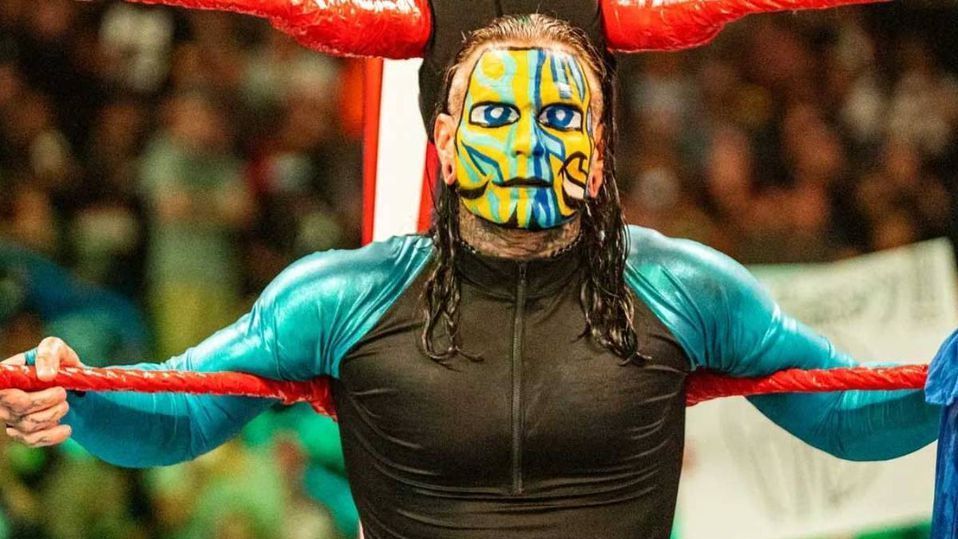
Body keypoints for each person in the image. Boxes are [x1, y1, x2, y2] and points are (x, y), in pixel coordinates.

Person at [0, 15, 943, 538]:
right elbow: (180, 412)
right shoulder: (343, 295)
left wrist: (949, 382)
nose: (530, 145)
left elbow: (846, 412)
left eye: (558, 120)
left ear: (600, 152)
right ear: (445, 144)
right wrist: (76, 397)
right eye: (498, 117)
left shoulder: (685, 286)